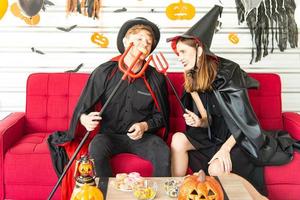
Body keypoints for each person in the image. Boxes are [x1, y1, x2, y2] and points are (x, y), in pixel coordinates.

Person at [168, 5, 298, 199]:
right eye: (178, 53)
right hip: (212, 134)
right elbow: (206, 119)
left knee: (216, 168)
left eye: (183, 52)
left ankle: (260, 197)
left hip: (238, 137)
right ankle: (177, 191)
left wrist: (225, 150)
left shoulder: (229, 72)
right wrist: (199, 121)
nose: (180, 58)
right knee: (178, 139)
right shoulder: (192, 76)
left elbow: (242, 119)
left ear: (199, 50)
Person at [48, 17, 170, 199]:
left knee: (161, 149)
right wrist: (85, 119)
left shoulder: (156, 78)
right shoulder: (105, 72)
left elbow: (161, 117)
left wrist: (144, 126)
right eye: (139, 40)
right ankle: (105, 195)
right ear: (126, 42)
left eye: (148, 43)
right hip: (109, 136)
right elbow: (83, 108)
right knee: (96, 146)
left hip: (142, 137)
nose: (143, 45)